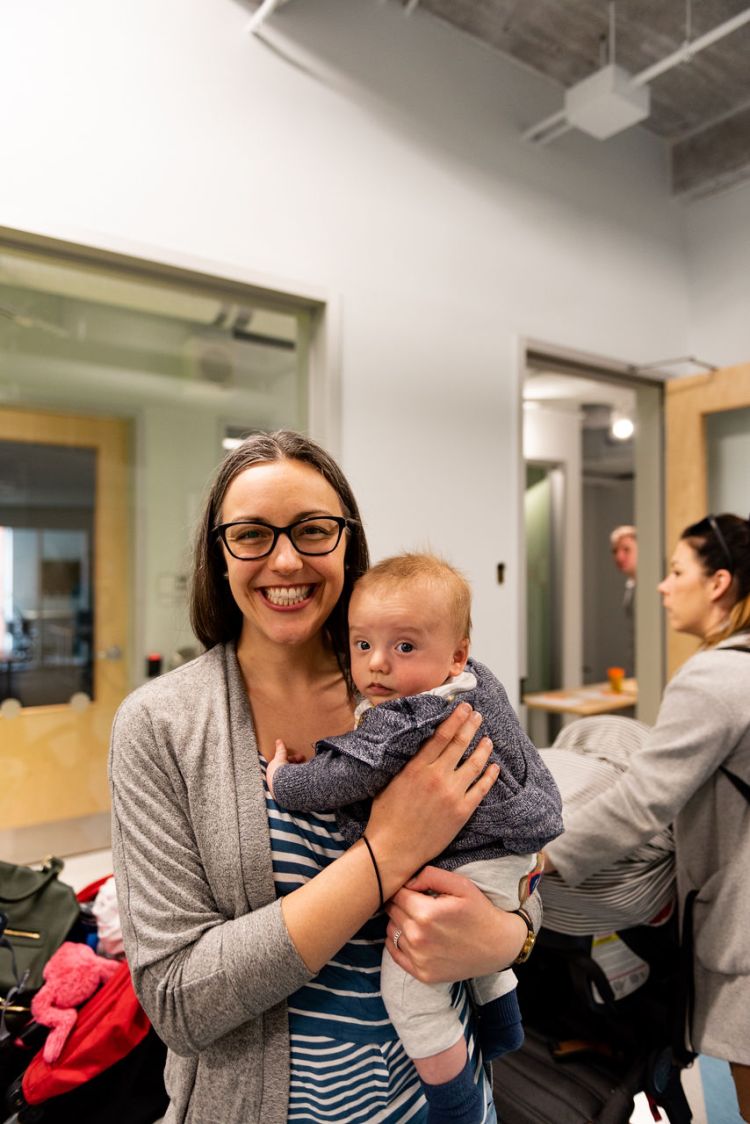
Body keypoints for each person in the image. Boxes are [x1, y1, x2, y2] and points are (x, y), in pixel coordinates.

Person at [109, 430, 541, 1124]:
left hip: (447, 1102)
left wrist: (508, 936)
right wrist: (387, 852)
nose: (286, 560)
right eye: (251, 534)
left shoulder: (427, 685)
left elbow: (514, 852)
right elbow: (179, 1000)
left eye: (312, 530)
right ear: (219, 554)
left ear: (347, 542)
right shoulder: (161, 726)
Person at [266, 553, 562, 1124]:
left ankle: (455, 1104)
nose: (377, 663)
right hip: (507, 861)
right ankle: (504, 1024)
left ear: (456, 655)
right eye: (362, 644)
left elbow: (342, 777)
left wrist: (283, 780)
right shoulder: (478, 684)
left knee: (408, 992)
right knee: (468, 940)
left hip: (472, 866)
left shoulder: (407, 716)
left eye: (404, 647)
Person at [544, 513, 750, 1120]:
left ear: (718, 583)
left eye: (677, 571)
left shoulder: (716, 679)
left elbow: (642, 800)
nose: (663, 585)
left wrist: (544, 858)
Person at [610, 524, 638, 676]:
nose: (619, 557)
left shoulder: (650, 588)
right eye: (615, 551)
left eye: (626, 550)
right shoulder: (631, 585)